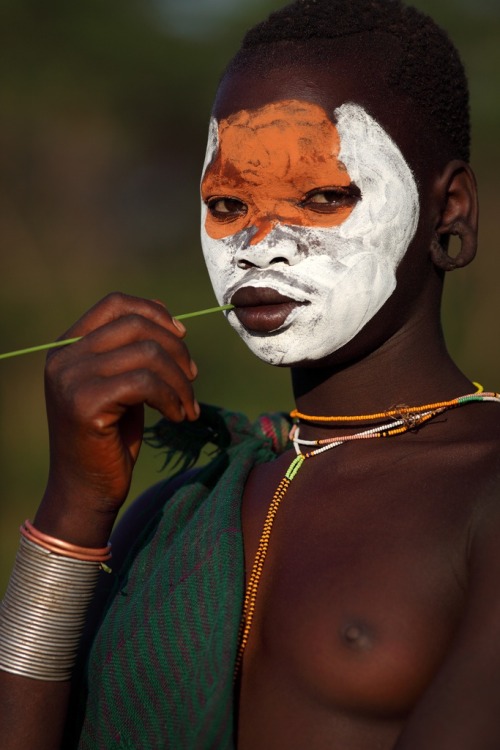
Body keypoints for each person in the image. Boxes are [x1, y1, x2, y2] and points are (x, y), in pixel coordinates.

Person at [1, 0, 500, 747]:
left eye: (323, 197)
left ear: (449, 211)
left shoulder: (484, 488)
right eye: (229, 204)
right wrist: (74, 507)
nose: (260, 246)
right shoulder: (174, 512)